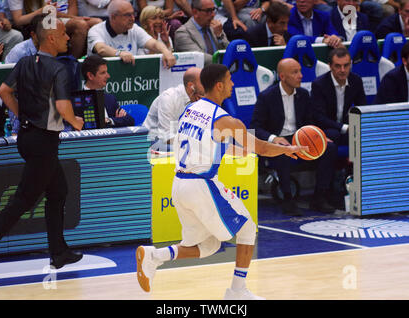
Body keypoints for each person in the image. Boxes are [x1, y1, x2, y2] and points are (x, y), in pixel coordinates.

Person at [135, 63, 308, 300]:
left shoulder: (190, 109)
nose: (233, 84)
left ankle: (154, 256)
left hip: (179, 184)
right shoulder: (225, 120)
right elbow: (260, 149)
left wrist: (248, 150)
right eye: (229, 80)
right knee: (247, 227)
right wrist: (288, 150)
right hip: (201, 184)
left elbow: (221, 147)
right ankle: (237, 291)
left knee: (209, 246)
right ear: (219, 85)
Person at [0, 16, 85, 269]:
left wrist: (22, 113)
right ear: (52, 38)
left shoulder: (24, 62)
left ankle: (59, 252)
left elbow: (3, 92)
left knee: (58, 191)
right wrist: (75, 122)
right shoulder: (58, 69)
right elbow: (63, 106)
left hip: (27, 137)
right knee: (23, 199)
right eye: (64, 33)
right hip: (44, 141)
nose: (68, 37)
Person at [250, 58, 338, 215]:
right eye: (295, 72)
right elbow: (255, 126)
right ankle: (288, 199)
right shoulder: (267, 96)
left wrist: (319, 136)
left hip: (299, 138)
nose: (301, 76)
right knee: (283, 150)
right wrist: (273, 138)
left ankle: (319, 197)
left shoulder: (303, 95)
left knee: (329, 147)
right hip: (277, 141)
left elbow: (310, 121)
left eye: (300, 71)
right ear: (282, 77)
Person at [87, 0, 176, 68]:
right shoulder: (96, 30)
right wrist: (119, 53)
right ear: (114, 17)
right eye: (128, 15)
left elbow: (154, 43)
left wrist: (166, 51)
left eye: (133, 14)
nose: (133, 18)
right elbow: (101, 49)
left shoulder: (134, 28)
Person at [311, 47, 367, 148]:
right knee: (334, 134)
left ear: (350, 64)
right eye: (338, 66)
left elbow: (362, 107)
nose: (342, 70)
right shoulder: (319, 85)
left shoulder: (356, 81)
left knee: (363, 132)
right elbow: (320, 118)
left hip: (346, 126)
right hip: (327, 127)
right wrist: (345, 127)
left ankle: (357, 162)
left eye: (346, 65)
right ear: (330, 66)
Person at [8, 0, 102, 58]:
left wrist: (73, 18)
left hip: (55, 17)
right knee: (80, 25)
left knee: (97, 22)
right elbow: (18, 20)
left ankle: (77, 61)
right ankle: (72, 63)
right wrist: (41, 11)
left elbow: (68, 6)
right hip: (35, 21)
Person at [143, 66, 204, 150]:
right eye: (203, 83)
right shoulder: (168, 98)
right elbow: (167, 137)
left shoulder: (200, 98)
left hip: (179, 139)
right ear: (191, 86)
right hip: (153, 141)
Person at [81, 54, 135, 127]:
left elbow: (130, 120)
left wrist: (109, 121)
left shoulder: (110, 99)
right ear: (90, 75)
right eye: (103, 73)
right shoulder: (77, 99)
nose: (108, 76)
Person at [174, 0, 229, 65]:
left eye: (213, 10)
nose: (213, 15)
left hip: (222, 71)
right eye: (208, 11)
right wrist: (226, 62)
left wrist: (220, 36)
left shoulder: (215, 27)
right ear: (195, 12)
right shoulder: (183, 33)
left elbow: (229, 50)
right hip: (200, 73)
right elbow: (201, 59)